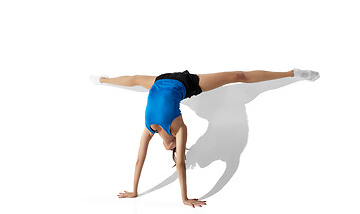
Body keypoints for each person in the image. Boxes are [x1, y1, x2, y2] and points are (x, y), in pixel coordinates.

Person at [89, 68, 320, 208]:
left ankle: (103, 80)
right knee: (236, 76)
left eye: (174, 148)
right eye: (177, 148)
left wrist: (134, 190)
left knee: (135, 79)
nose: (174, 147)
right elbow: (180, 164)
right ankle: (294, 74)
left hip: (160, 80)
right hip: (183, 84)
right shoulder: (179, 129)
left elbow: (139, 161)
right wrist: (185, 198)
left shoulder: (149, 129)